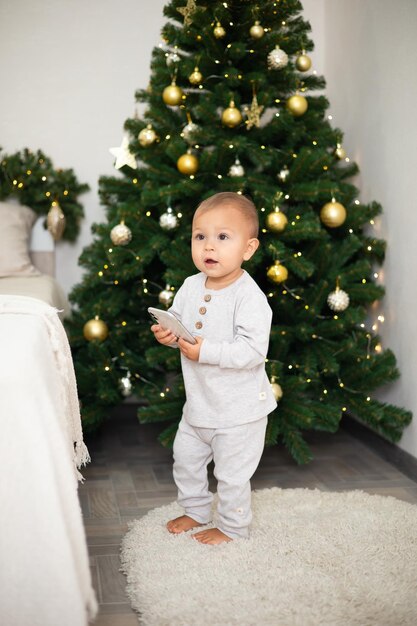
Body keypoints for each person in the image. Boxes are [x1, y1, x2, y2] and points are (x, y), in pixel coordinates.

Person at [151, 191, 277, 545]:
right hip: (199, 405)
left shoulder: (249, 297)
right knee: (185, 458)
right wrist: (169, 332)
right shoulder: (191, 286)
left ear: (248, 248)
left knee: (232, 474)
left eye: (223, 237)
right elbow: (181, 321)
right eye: (200, 236)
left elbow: (251, 352)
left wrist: (204, 351)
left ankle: (233, 528)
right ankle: (196, 508)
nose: (209, 247)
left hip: (239, 412)